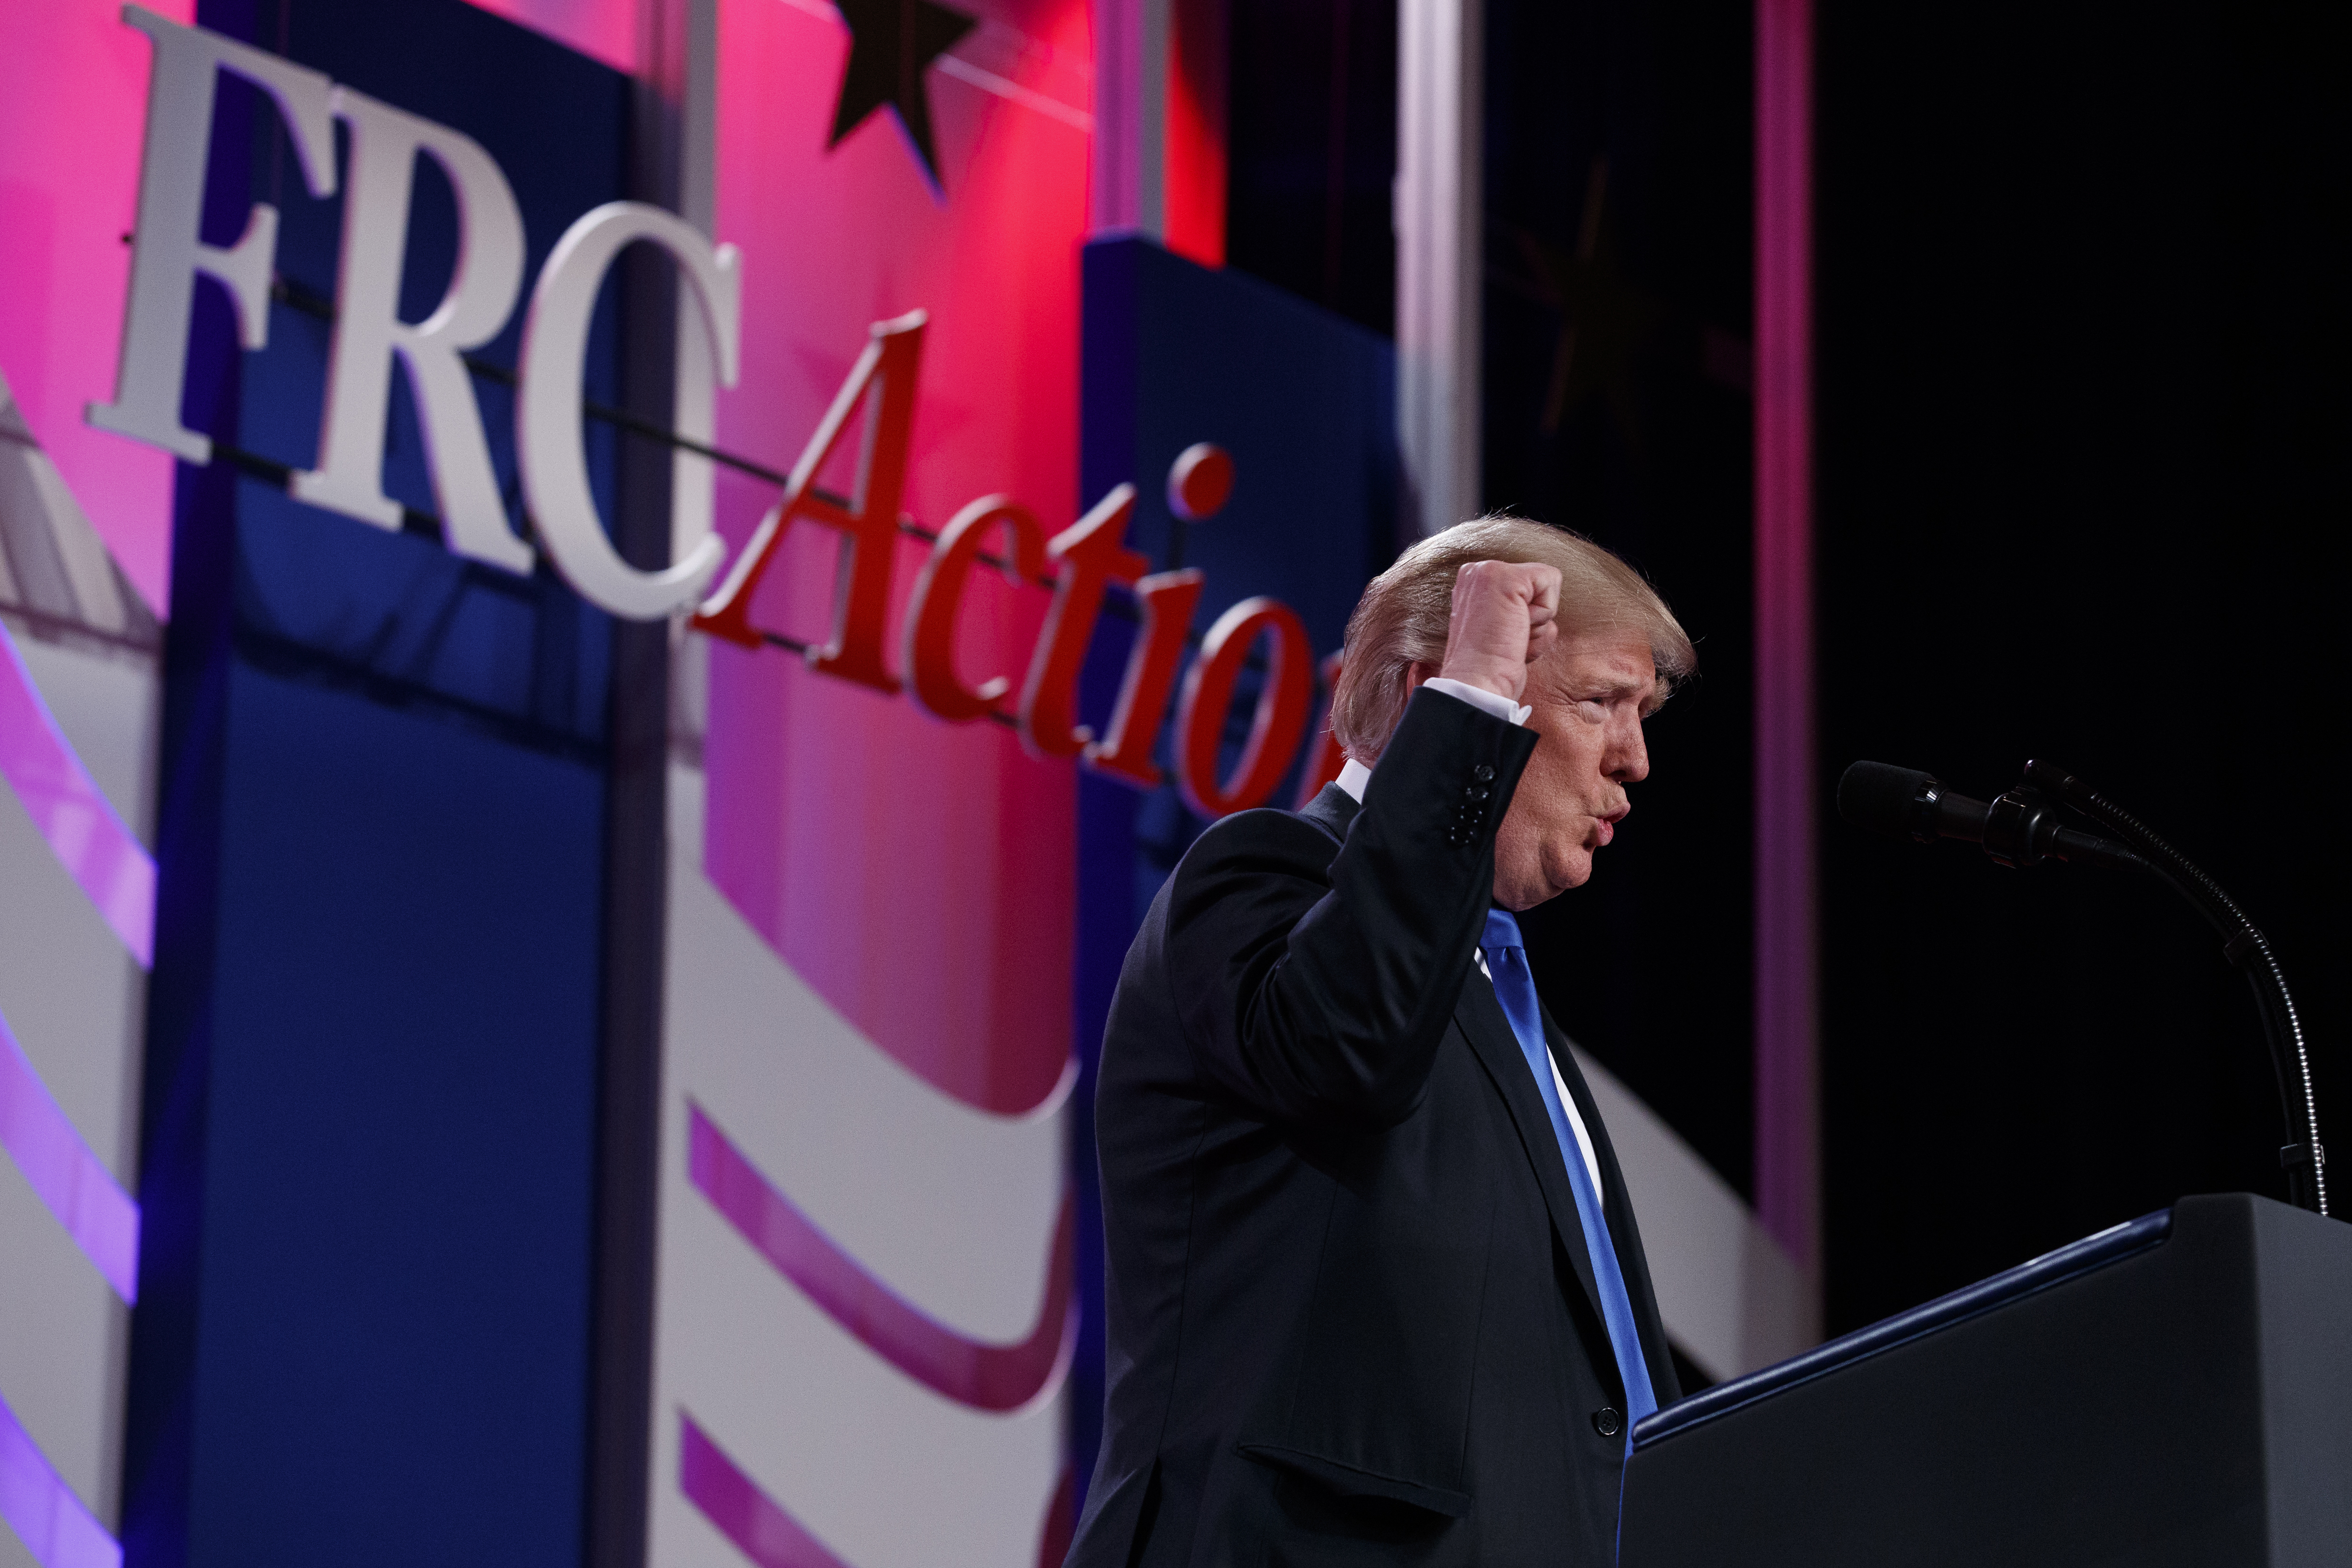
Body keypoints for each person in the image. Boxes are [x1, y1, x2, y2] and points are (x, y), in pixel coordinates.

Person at [1065, 516, 1698, 1567]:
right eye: (1599, 703)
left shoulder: (1503, 993)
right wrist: (1467, 708)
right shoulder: (1262, 876)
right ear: (1428, 697)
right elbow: (1348, 1047)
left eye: (1642, 716)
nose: (1633, 760)